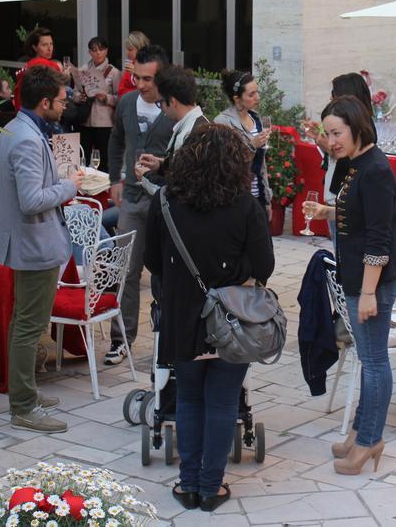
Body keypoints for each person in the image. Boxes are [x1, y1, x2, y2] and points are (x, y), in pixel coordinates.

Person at [143, 123, 274, 512]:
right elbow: (264, 264)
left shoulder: (165, 202)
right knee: (222, 402)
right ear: (235, 164)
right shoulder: (245, 207)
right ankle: (210, 488)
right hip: (231, 317)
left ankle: (189, 483)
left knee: (188, 398)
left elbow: (151, 261)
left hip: (182, 315)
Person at [303, 95, 396, 476]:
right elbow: (362, 213)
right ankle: (360, 433)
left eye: (336, 133)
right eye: (327, 133)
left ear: (356, 127)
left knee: (374, 361)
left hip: (373, 281)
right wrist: (328, 211)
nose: (331, 141)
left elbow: (379, 239)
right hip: (361, 276)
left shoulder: (376, 169)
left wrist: (368, 293)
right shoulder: (358, 163)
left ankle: (370, 440)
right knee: (369, 360)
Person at [0, 65, 84, 434]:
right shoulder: (27, 138)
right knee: (28, 326)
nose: (64, 106)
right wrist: (69, 186)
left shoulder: (16, 128)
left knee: (23, 324)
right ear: (44, 102)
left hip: (27, 242)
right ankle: (23, 406)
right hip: (34, 244)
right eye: (60, 101)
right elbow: (31, 200)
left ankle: (25, 393)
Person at [105, 44, 174, 365]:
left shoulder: (177, 110)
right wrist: (115, 178)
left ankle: (169, 338)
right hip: (132, 197)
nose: (142, 84)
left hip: (165, 201)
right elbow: (116, 139)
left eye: (148, 79)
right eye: (137, 77)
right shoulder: (127, 103)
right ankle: (121, 339)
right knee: (127, 270)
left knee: (166, 273)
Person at [301, 73, 375, 242]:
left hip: (344, 194)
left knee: (343, 246)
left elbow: (348, 156)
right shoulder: (358, 123)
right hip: (338, 192)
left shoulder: (363, 128)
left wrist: (321, 139)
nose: (330, 97)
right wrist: (319, 137)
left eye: (334, 93)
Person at [136, 65, 209, 196]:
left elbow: (176, 192)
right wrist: (160, 165)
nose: (161, 109)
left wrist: (145, 177)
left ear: (172, 101)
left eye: (160, 103)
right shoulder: (199, 124)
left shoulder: (190, 135)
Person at [214, 70, 272, 214]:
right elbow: (226, 163)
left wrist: (267, 199)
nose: (257, 97)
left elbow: (261, 165)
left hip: (258, 196)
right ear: (237, 98)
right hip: (235, 199)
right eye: (251, 94)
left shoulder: (256, 119)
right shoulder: (223, 122)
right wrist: (252, 145)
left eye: (257, 92)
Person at [72, 36, 119, 170]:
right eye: (94, 50)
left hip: (104, 122)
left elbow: (119, 98)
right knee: (82, 158)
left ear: (106, 51)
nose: (98, 53)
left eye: (101, 49)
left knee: (104, 160)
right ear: (89, 52)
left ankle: (103, 189)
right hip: (84, 120)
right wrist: (79, 97)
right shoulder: (82, 70)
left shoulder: (114, 72)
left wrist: (105, 97)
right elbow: (75, 93)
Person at [118, 31, 150, 99]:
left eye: (130, 49)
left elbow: (148, 87)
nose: (127, 52)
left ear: (140, 49)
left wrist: (135, 73)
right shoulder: (132, 63)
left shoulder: (148, 64)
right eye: (126, 49)